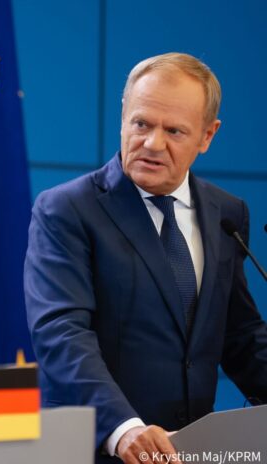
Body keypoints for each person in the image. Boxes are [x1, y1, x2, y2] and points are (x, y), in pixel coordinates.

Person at [24, 52, 267, 464]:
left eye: (174, 130)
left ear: (207, 136)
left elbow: (239, 336)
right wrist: (124, 429)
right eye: (141, 123)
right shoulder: (67, 210)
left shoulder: (226, 214)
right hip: (102, 452)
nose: (152, 144)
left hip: (196, 453)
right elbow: (62, 333)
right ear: (123, 117)